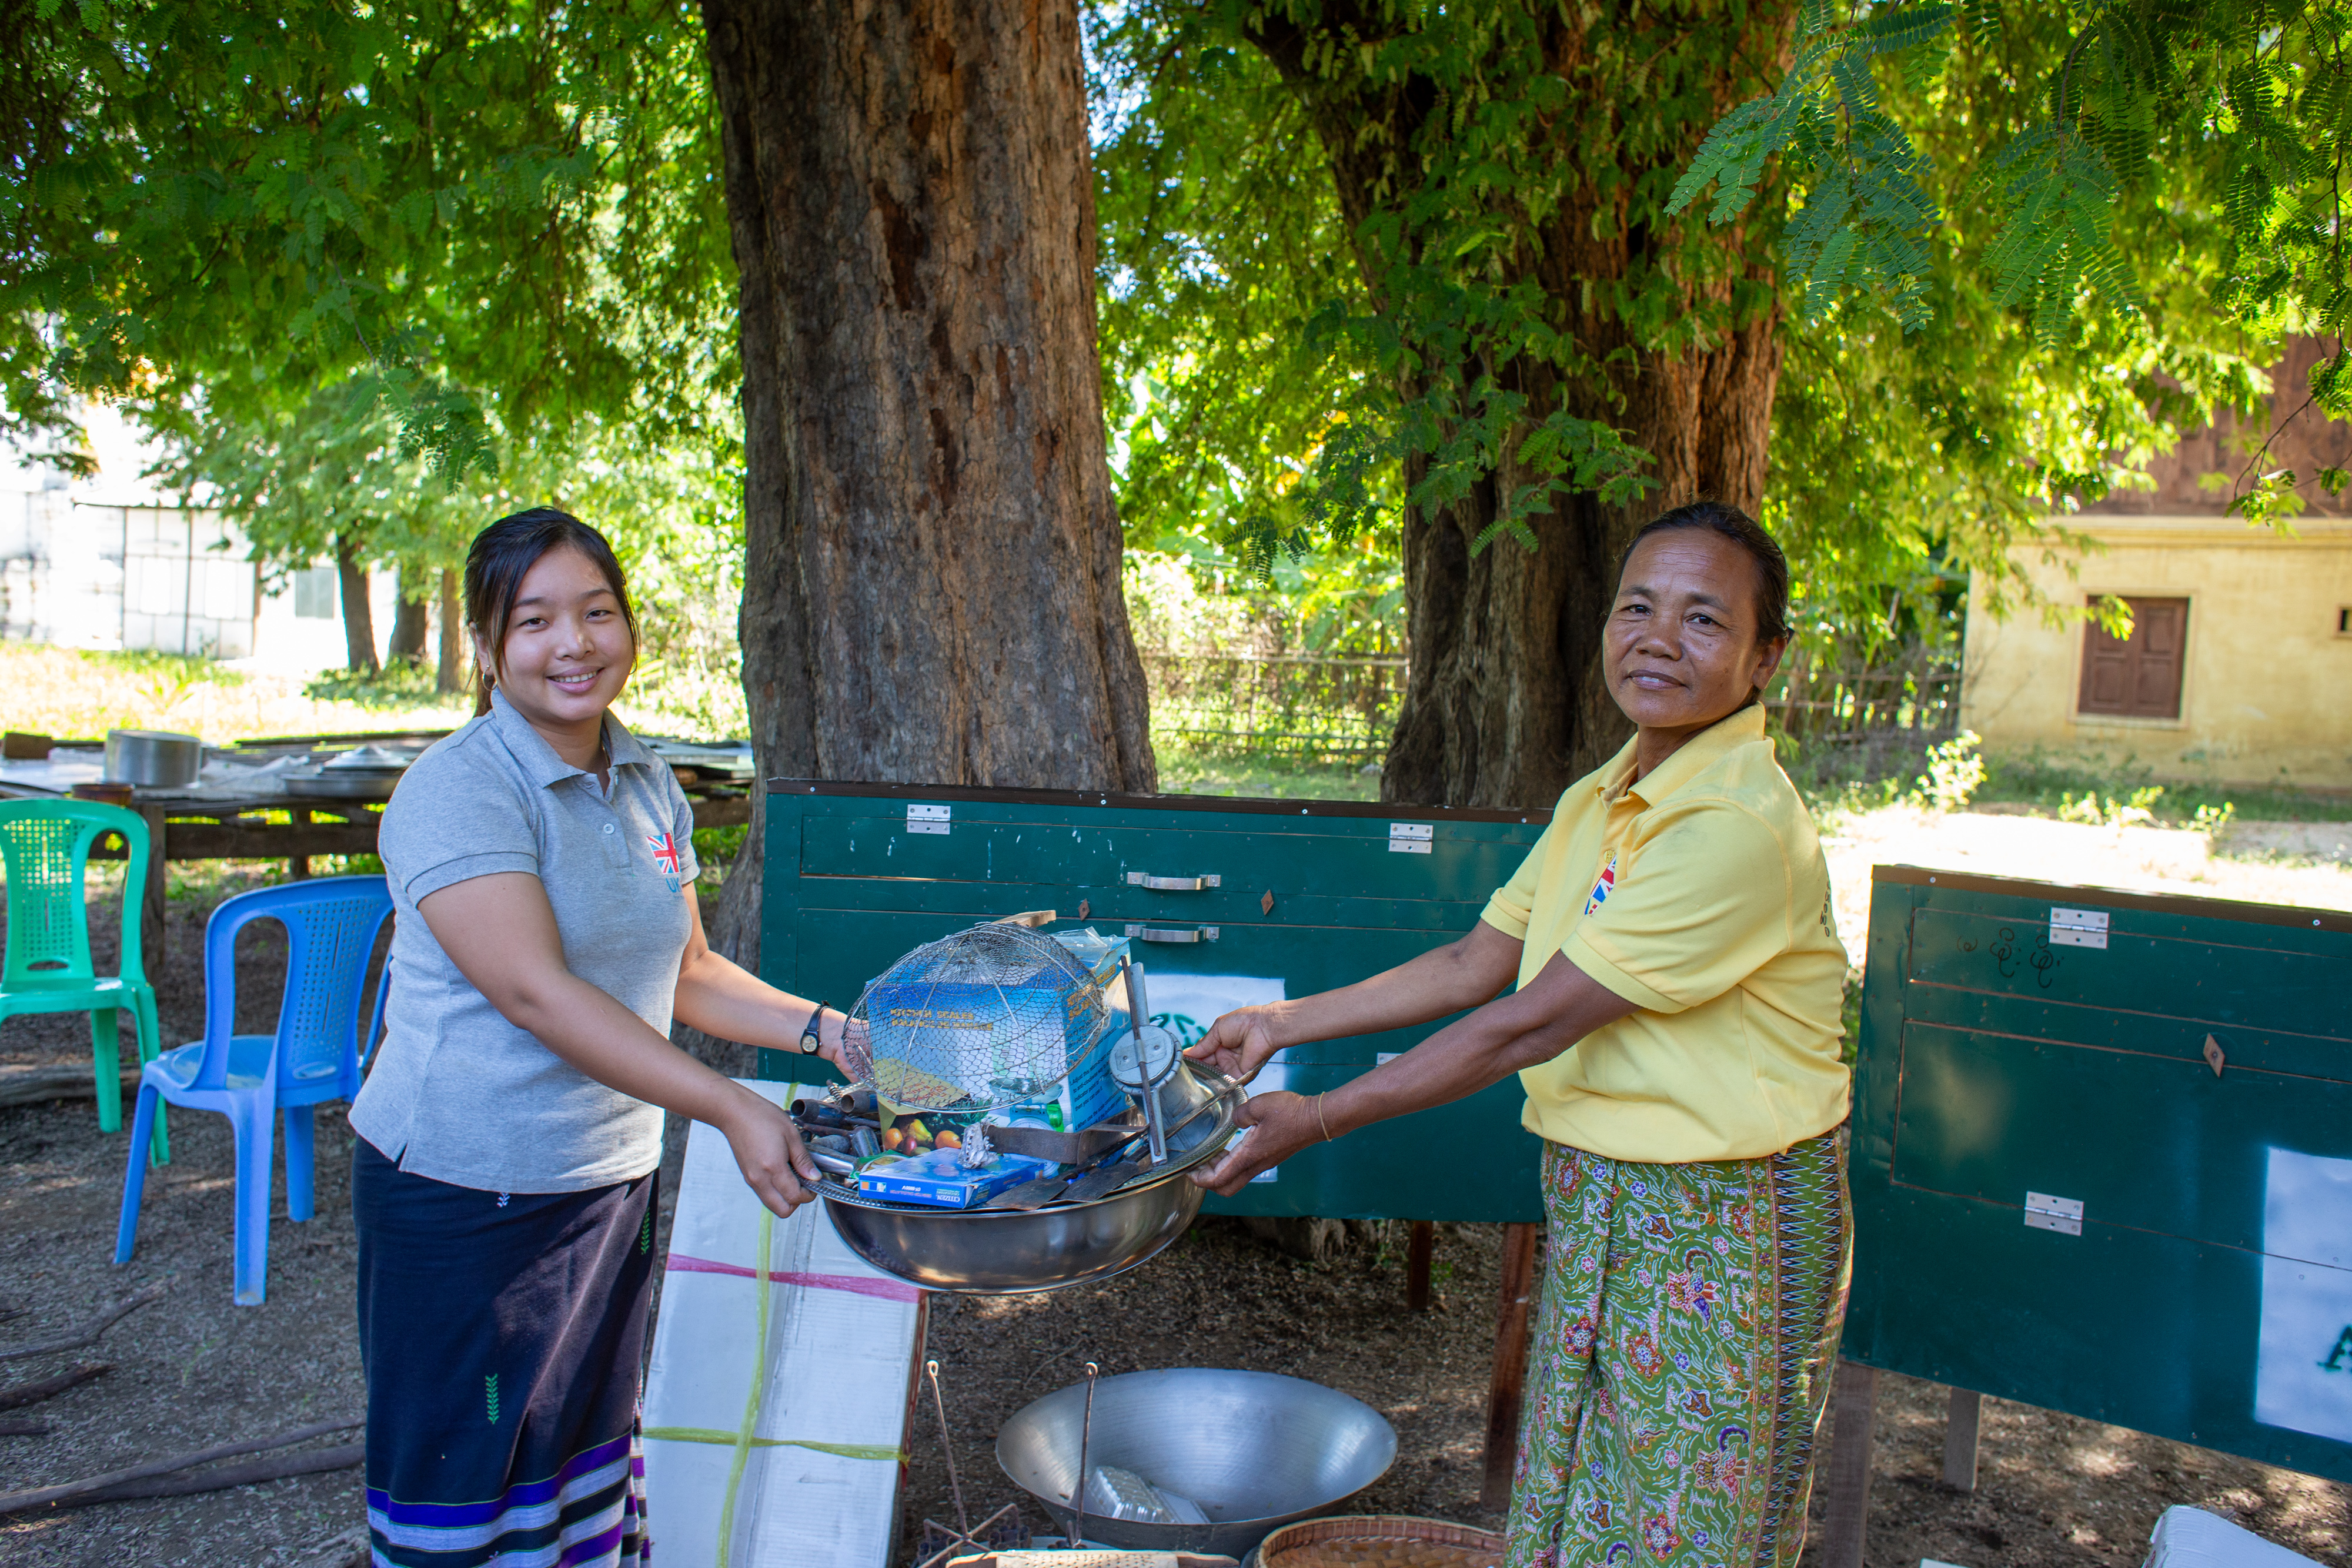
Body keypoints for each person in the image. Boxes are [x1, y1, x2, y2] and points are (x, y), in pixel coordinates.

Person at [1188, 501, 1851, 1568]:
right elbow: (1476, 962)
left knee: (1685, 1527)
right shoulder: (1608, 789)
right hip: (1603, 1190)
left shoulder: (1732, 823)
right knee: (1582, 1497)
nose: (1658, 641)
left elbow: (1523, 1025)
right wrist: (1279, 1020)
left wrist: (1312, 1117)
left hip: (1727, 1215)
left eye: (1704, 622)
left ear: (1767, 658)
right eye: (1637, 608)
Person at [349, 508, 842, 1568]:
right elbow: (538, 993)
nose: (573, 643)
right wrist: (728, 1104)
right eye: (535, 621)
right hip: (469, 1193)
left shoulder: (644, 779)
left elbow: (690, 972)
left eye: (597, 612)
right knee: (471, 1478)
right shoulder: (460, 788)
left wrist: (838, 1036)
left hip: (606, 1182)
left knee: (580, 1453)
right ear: (487, 647)